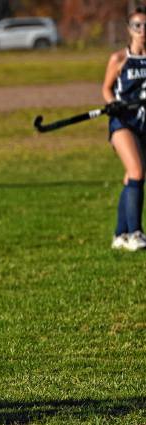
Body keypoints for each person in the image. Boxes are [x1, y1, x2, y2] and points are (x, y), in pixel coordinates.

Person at [102, 4, 146, 251]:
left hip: (144, 122)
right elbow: (107, 89)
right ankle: (135, 233)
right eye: (137, 25)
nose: (142, 30)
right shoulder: (119, 59)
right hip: (123, 122)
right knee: (138, 172)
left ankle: (120, 234)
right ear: (129, 29)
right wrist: (112, 104)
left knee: (132, 176)